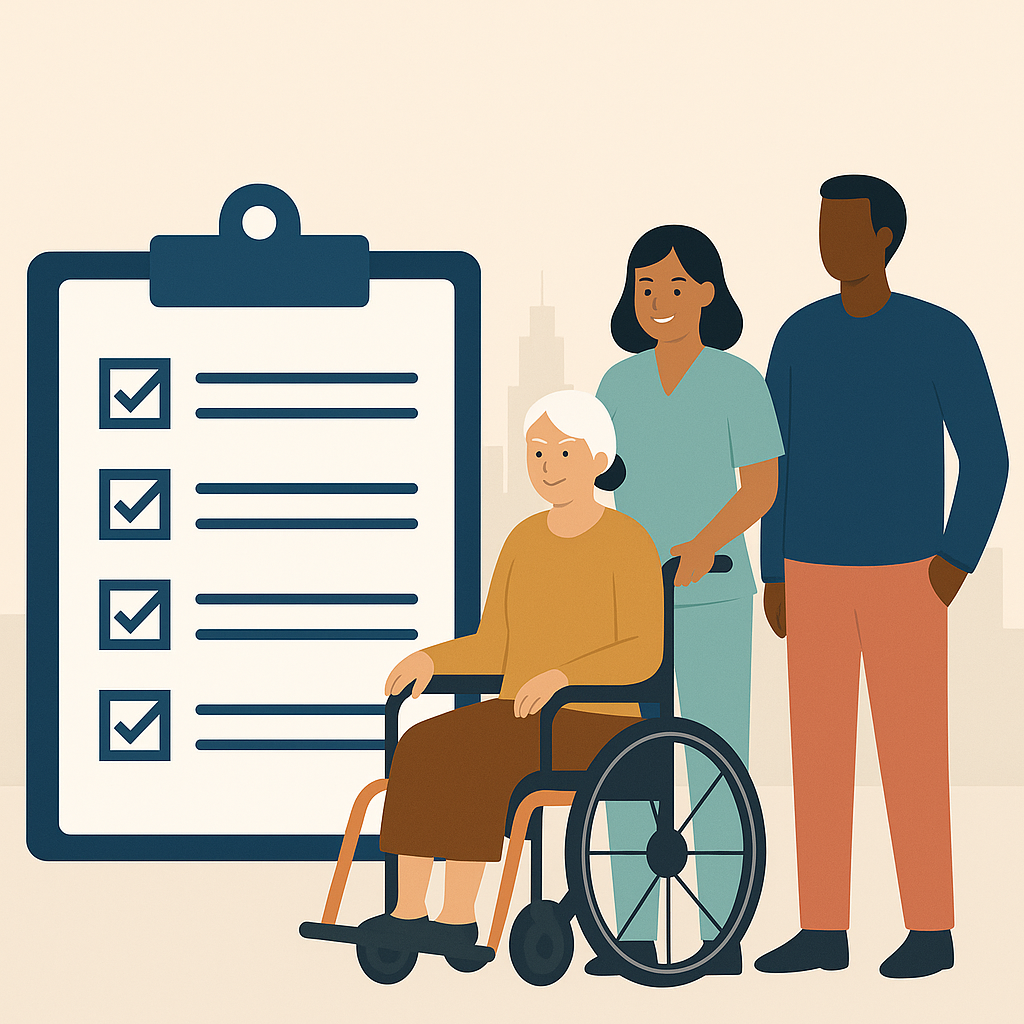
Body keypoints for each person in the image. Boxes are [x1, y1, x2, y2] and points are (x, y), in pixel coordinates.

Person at [754, 174, 1008, 979]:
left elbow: (990, 457)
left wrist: (954, 563)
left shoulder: (939, 334)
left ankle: (930, 931)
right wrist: (773, 571)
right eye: (822, 228)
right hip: (811, 573)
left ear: (886, 237)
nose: (829, 245)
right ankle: (823, 930)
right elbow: (773, 465)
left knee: (913, 754)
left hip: (908, 577)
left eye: (845, 230)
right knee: (817, 756)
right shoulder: (796, 337)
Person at [359, 390, 664, 955]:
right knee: (426, 741)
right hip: (522, 716)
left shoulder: (629, 541)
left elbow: (644, 651)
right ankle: (407, 912)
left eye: (565, 454)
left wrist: (563, 677)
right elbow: (494, 645)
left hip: (596, 721)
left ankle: (457, 919)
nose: (548, 467)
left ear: (599, 460)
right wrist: (433, 660)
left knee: (481, 750)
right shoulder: (523, 539)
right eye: (537, 453)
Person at [592, 225, 783, 976]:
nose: (660, 301)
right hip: (630, 600)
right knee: (623, 762)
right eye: (646, 288)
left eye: (675, 286)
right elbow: (605, 484)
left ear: (708, 291)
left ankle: (722, 932)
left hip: (711, 594)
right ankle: (629, 930)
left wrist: (704, 543)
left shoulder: (737, 381)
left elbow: (762, 485)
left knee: (715, 761)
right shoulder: (617, 385)